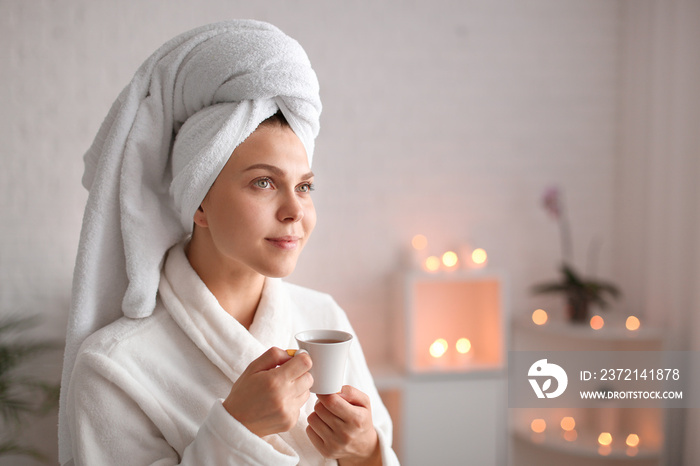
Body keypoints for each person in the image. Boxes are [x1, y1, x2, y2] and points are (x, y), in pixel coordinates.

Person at [58, 20, 399, 466]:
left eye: (305, 186)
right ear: (199, 203)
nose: (295, 211)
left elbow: (376, 454)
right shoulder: (114, 368)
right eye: (263, 182)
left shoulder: (323, 318)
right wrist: (237, 432)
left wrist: (367, 452)